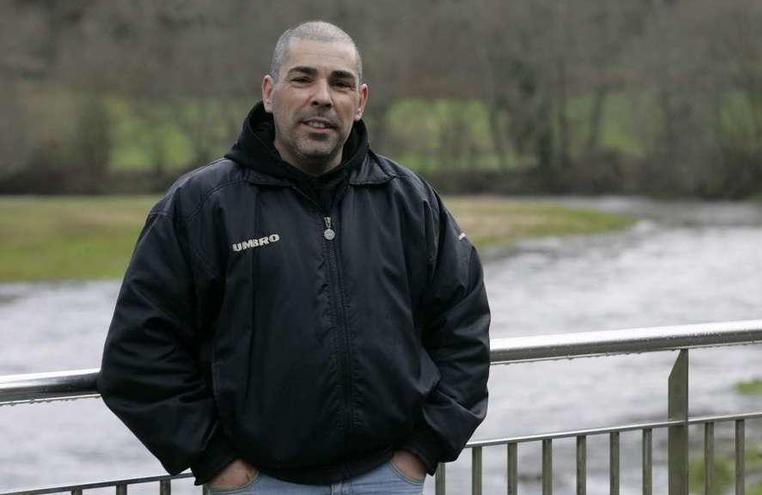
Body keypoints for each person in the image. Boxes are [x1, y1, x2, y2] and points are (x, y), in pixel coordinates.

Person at [97, 21, 490, 494]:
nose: (322, 97)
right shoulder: (203, 206)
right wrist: (216, 462)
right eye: (303, 78)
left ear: (360, 102)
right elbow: (138, 354)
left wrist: (420, 452)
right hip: (259, 484)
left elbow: (464, 328)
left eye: (340, 83)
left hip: (389, 480)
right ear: (269, 92)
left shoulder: (410, 201)